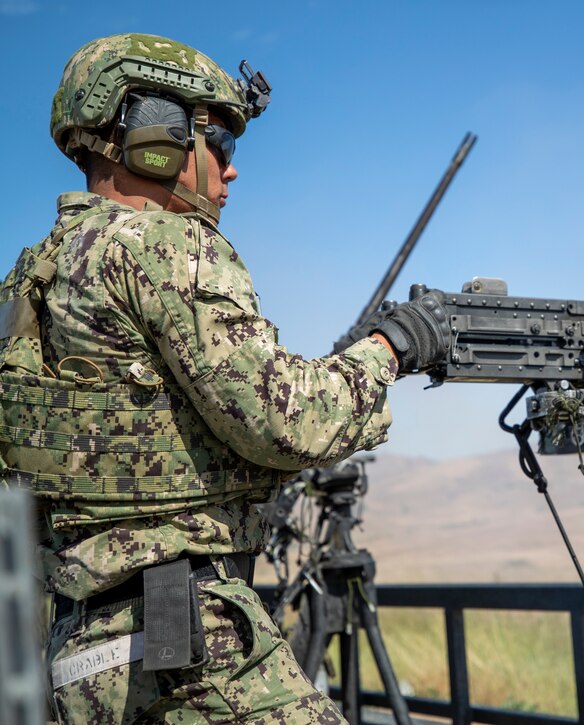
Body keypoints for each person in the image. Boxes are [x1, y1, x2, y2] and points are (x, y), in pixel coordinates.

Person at [0, 33, 450, 723]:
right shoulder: (164, 248)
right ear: (156, 132)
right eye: (222, 144)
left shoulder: (34, 276)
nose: (231, 172)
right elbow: (289, 422)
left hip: (77, 652)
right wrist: (391, 347)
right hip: (187, 644)